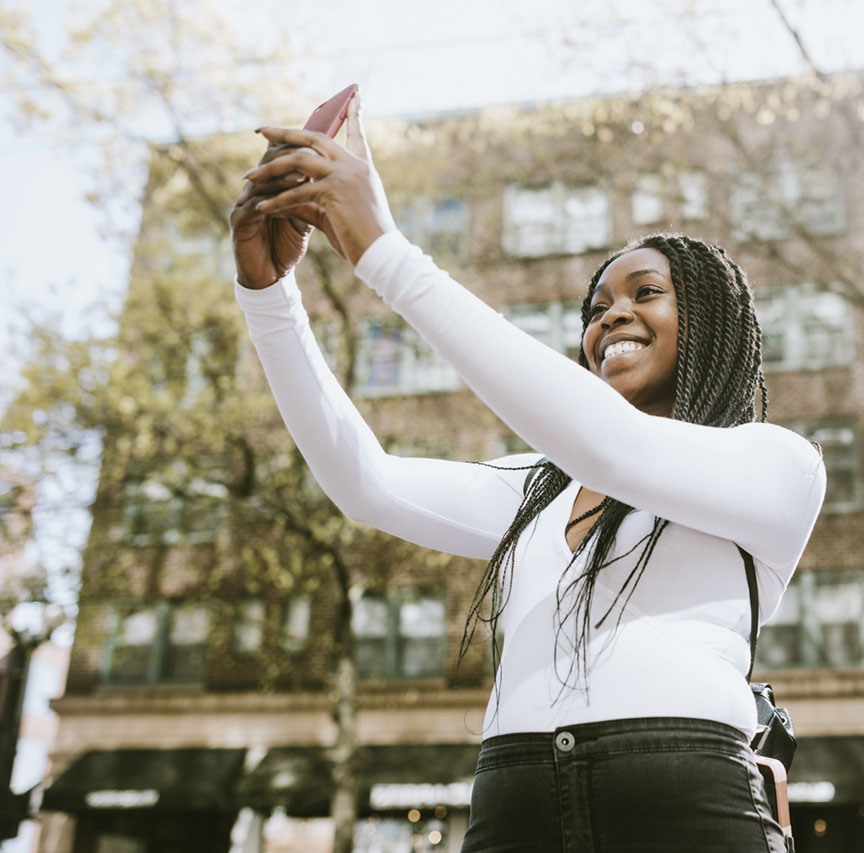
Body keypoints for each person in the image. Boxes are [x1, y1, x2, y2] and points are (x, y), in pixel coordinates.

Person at [230, 95, 825, 852]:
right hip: (513, 805)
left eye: (646, 293)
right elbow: (365, 483)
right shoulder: (537, 490)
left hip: (688, 803)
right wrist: (269, 296)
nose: (610, 316)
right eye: (597, 306)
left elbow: (616, 449)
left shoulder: (775, 464)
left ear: (712, 321)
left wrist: (383, 250)